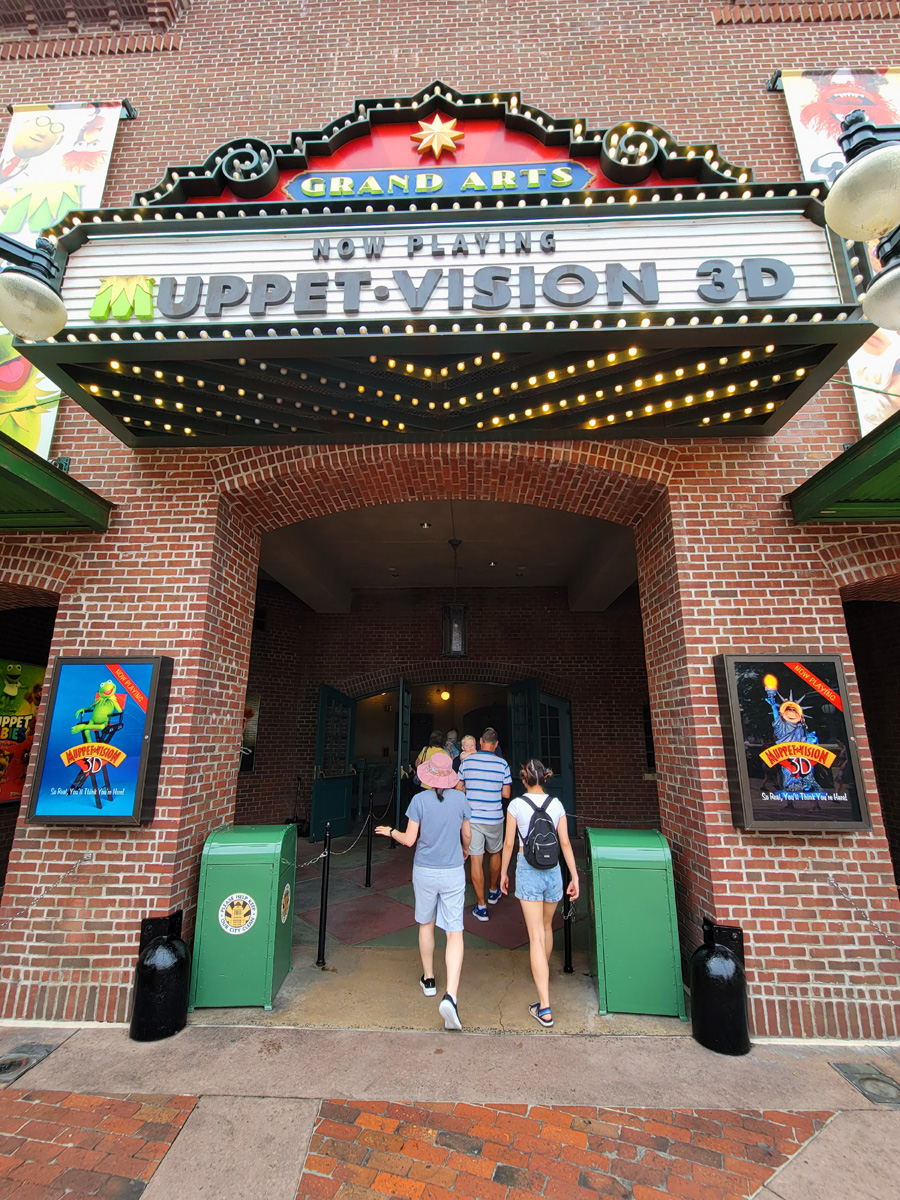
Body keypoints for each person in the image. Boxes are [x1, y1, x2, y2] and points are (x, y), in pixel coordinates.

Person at [375, 751, 471, 1031]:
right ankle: (451, 995)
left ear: (429, 775)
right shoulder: (461, 800)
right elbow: (467, 834)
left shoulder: (419, 801)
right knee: (454, 931)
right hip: (453, 870)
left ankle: (429, 979)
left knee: (426, 924)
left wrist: (390, 831)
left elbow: (409, 840)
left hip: (425, 870)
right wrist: (465, 851)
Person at [500, 758, 579, 1028]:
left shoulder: (516, 805)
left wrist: (503, 873)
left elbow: (509, 843)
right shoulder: (556, 805)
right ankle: (541, 969)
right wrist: (574, 876)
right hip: (553, 871)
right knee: (546, 928)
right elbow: (565, 843)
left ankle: (544, 1007)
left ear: (524, 780)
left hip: (528, 870)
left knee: (535, 936)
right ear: (545, 778)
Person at [456, 727, 511, 920]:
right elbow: (506, 794)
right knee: (495, 853)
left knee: (476, 859)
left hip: (473, 818)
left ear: (480, 741)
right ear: (496, 745)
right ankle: (493, 890)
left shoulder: (467, 762)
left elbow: (458, 787)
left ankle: (481, 906)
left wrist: (471, 788)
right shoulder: (502, 764)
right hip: (494, 817)